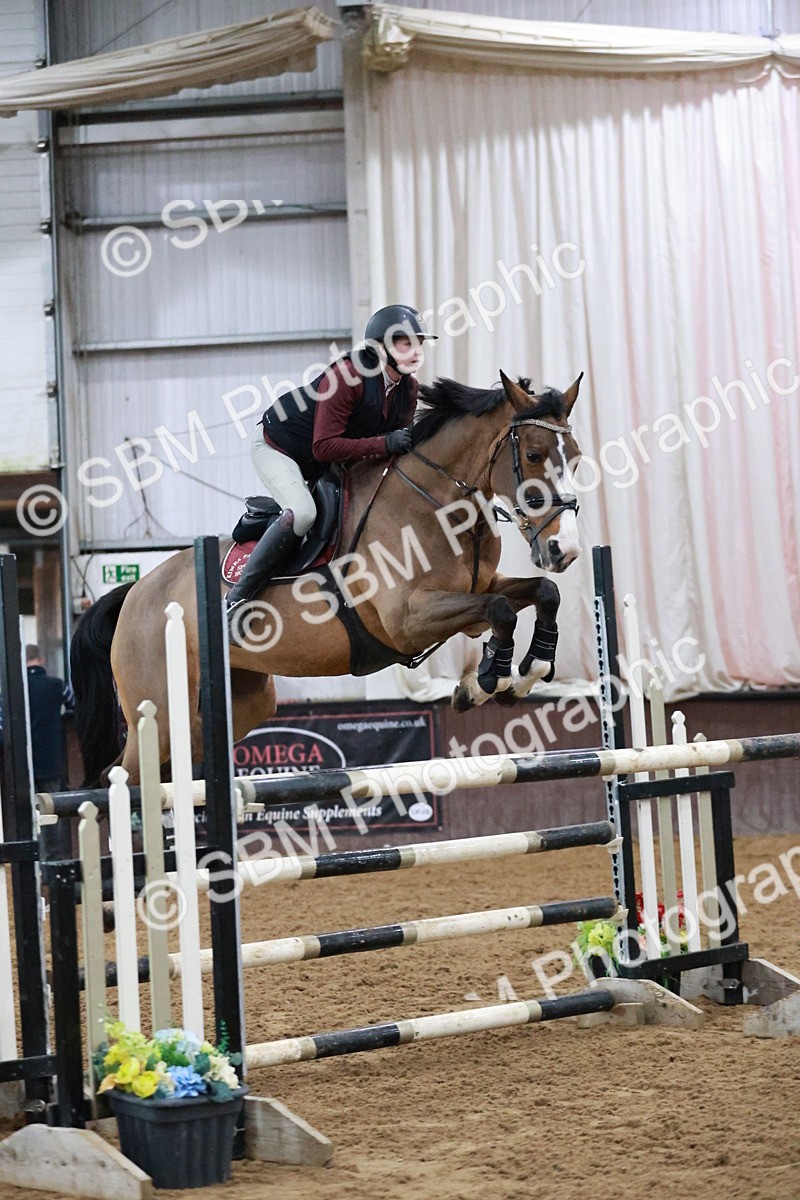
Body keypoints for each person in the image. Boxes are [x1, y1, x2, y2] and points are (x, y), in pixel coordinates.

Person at [225, 304, 437, 615]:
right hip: (280, 447)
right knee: (303, 513)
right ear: (380, 348)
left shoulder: (408, 388)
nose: (416, 351)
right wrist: (384, 443)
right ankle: (237, 598)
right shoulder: (348, 376)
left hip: (324, 460)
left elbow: (396, 450)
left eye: (419, 342)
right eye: (405, 343)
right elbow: (324, 447)